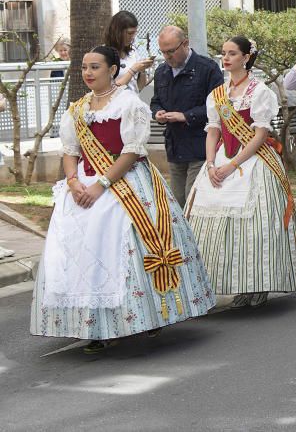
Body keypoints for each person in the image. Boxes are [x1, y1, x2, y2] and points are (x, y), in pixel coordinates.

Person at [31, 45, 215, 353]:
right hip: (84, 188)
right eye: (85, 68)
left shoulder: (129, 104)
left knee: (127, 251)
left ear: (113, 70)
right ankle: (98, 327)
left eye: (95, 67)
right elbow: (70, 151)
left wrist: (101, 184)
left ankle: (146, 315)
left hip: (124, 185)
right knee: (83, 258)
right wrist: (73, 181)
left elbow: (131, 151)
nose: (88, 73)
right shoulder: (77, 109)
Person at [186, 36, 296, 308]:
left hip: (253, 161)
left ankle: (258, 284)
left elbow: (259, 134)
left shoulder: (260, 91)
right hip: (220, 158)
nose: (225, 58)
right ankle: (231, 284)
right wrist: (210, 164)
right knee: (213, 220)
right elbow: (213, 130)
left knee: (255, 224)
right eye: (223, 53)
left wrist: (232, 165)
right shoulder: (217, 94)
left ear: (246, 57)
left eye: (232, 53)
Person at [149, 26, 224, 208]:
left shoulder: (207, 68)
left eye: (171, 51)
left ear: (185, 44)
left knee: (194, 202)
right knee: (177, 204)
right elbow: (156, 101)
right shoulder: (161, 72)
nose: (167, 57)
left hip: (201, 145)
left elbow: (218, 106)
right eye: (163, 52)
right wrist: (157, 113)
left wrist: (186, 116)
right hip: (175, 147)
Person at [105, 11, 153, 92]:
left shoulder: (133, 52)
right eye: (129, 33)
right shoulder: (103, 54)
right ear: (117, 32)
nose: (132, 37)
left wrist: (142, 70)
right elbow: (109, 90)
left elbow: (140, 87)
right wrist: (133, 70)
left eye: (135, 33)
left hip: (133, 102)